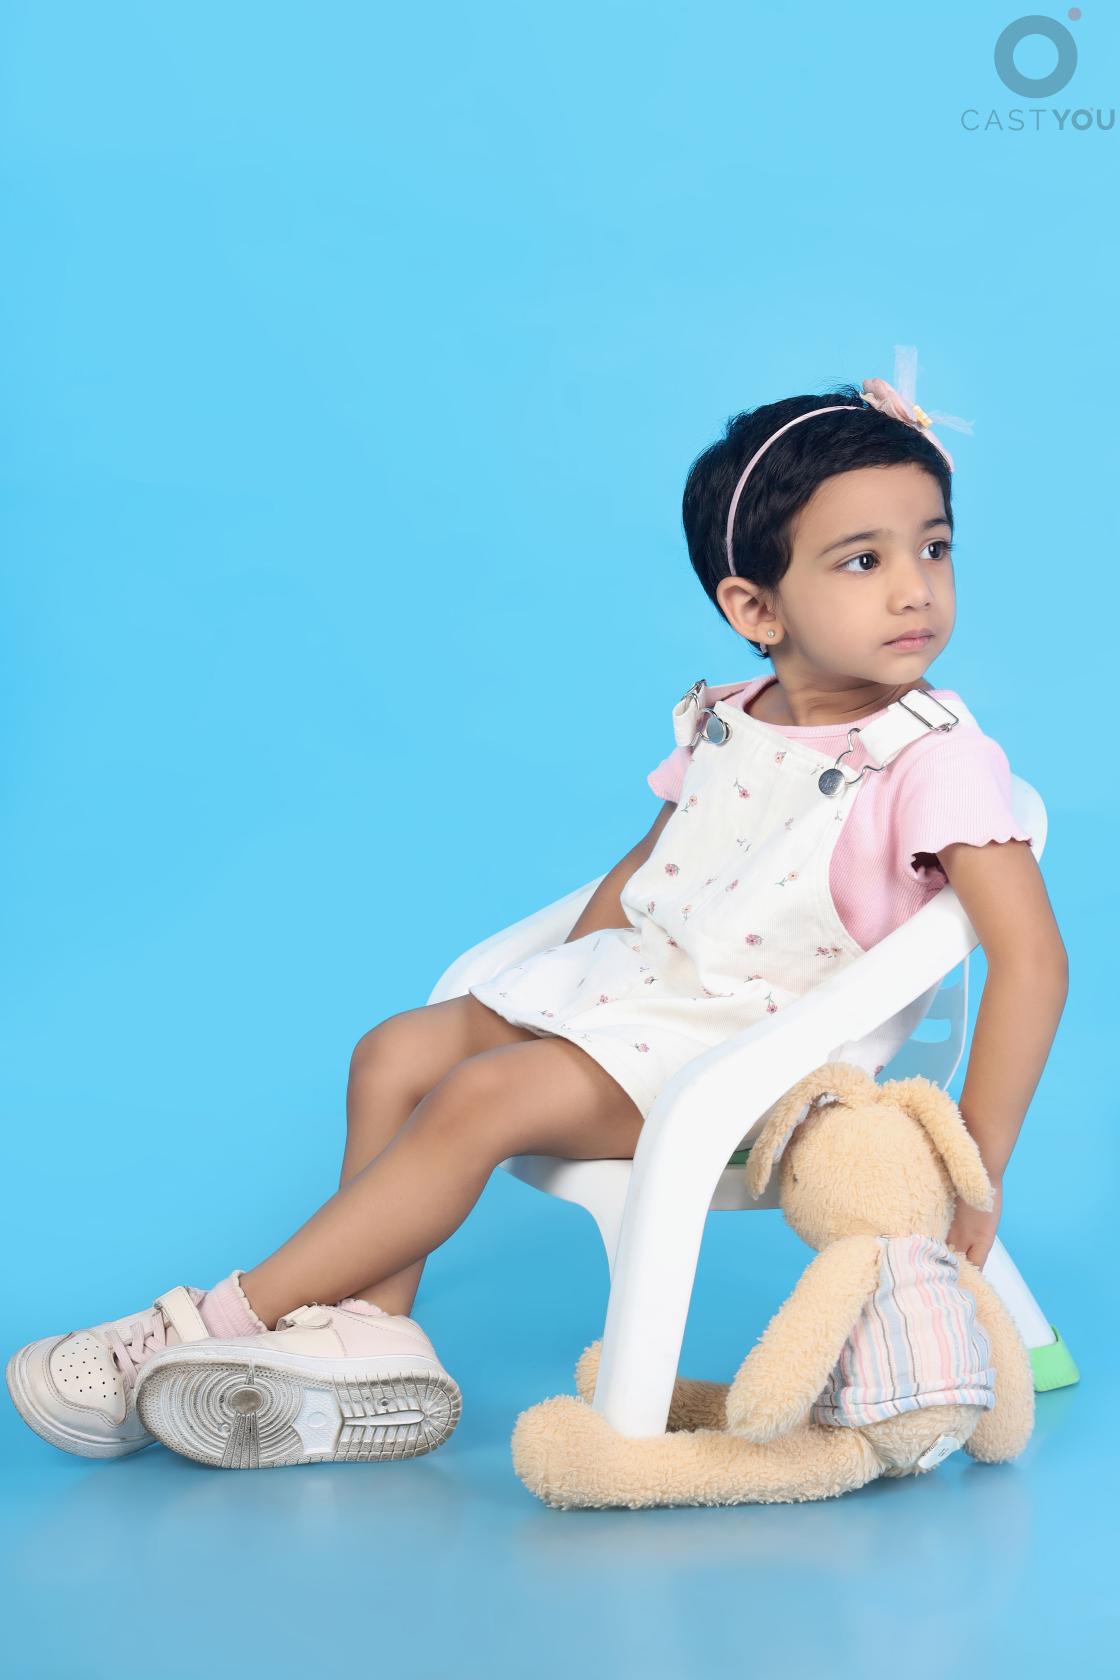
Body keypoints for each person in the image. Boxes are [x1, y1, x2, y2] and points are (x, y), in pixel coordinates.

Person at [5, 357, 1069, 1471]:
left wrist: (973, 1165)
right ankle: (370, 1334)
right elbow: (666, 861)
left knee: (479, 1098)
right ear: (754, 608)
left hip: (754, 1053)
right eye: (863, 560)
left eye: (934, 548)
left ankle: (207, 1323)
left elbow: (1031, 963)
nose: (915, 589)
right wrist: (563, 989)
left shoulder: (934, 758)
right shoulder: (734, 715)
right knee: (394, 1052)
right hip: (654, 997)